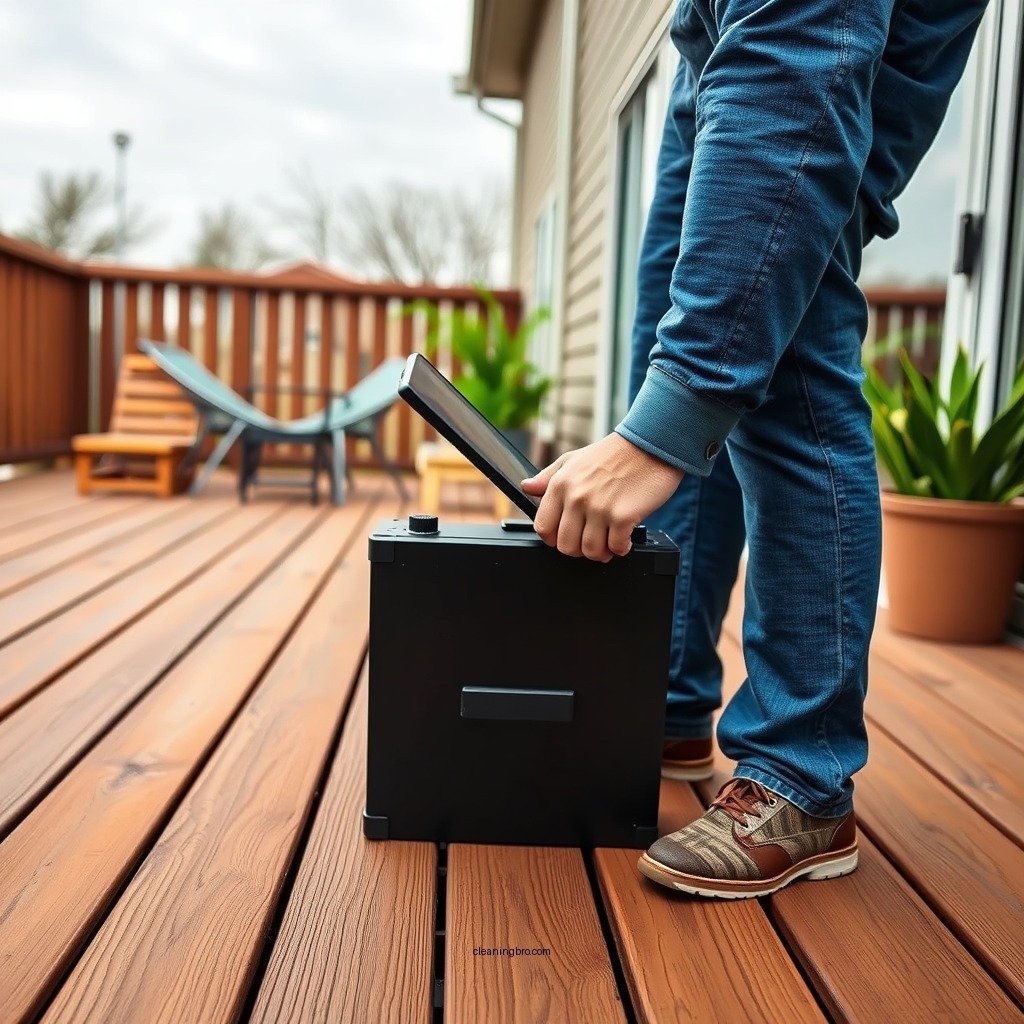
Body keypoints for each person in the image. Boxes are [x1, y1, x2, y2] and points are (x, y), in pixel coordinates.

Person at [521, 0, 988, 898]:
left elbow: (795, 71)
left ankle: (801, 774)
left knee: (789, 313)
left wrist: (660, 431)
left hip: (800, 28)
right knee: (692, 298)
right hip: (717, 31)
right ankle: (667, 699)